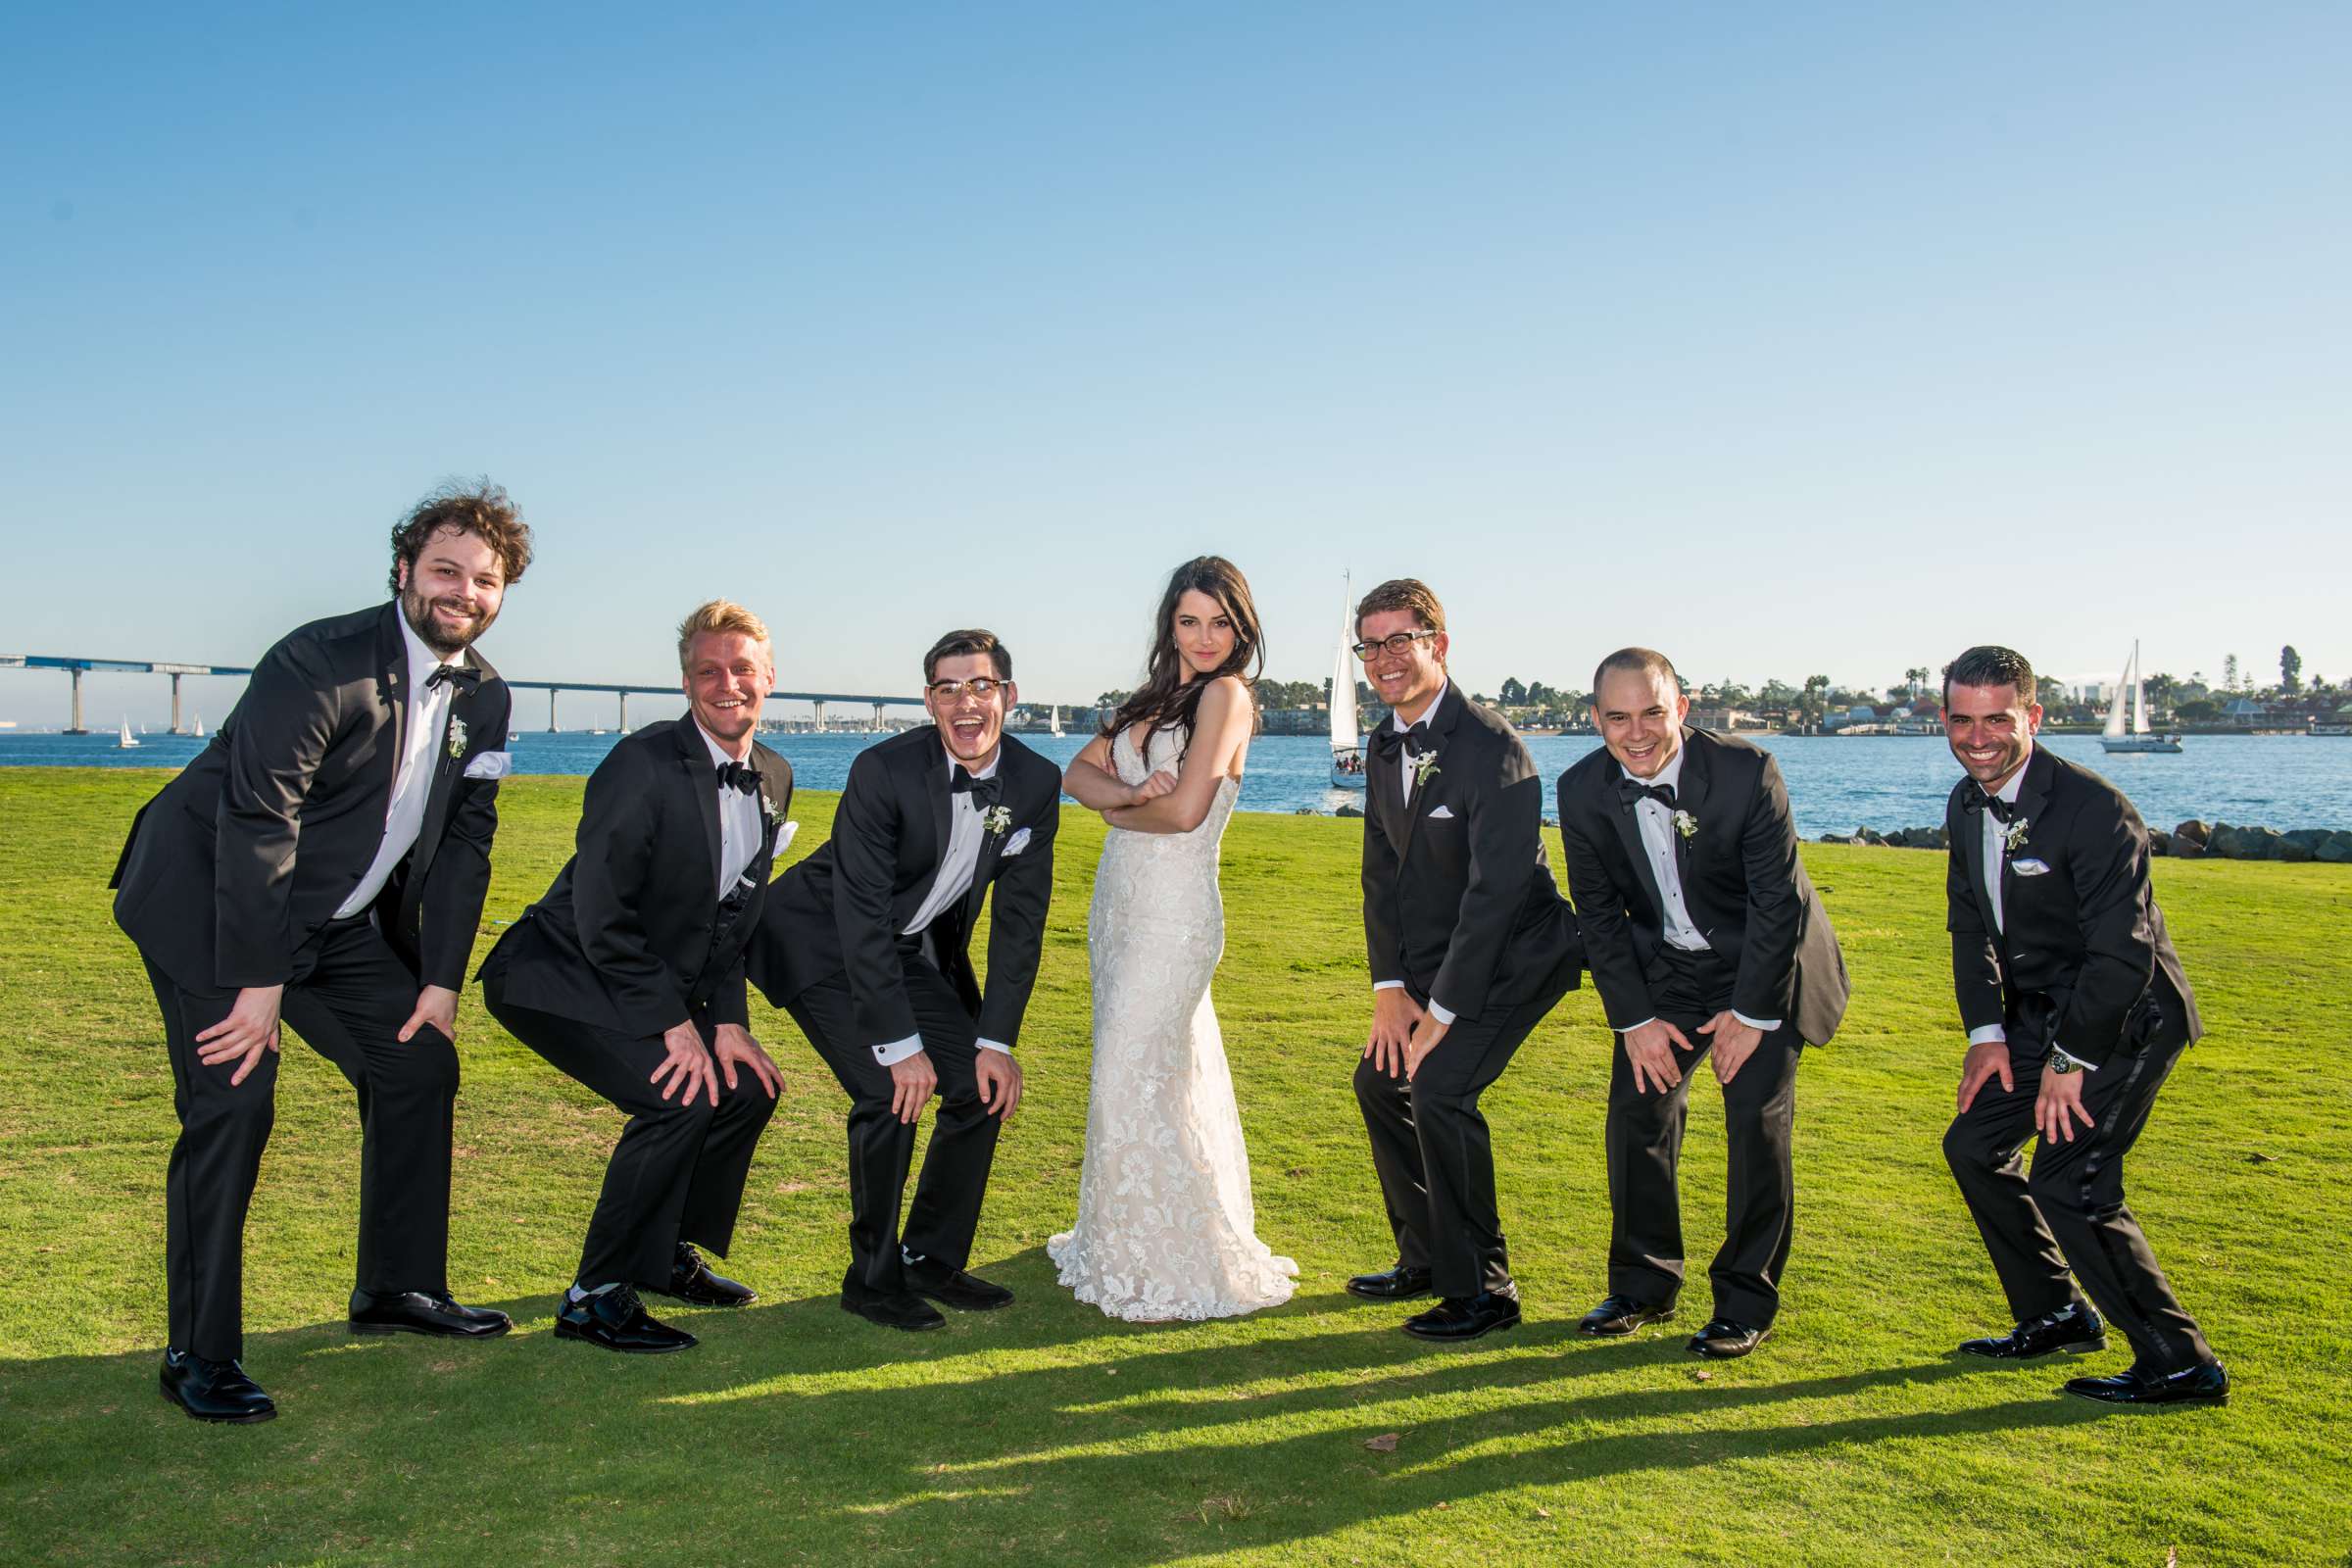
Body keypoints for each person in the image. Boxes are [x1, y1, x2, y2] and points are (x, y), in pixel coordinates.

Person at [110, 482, 533, 1422]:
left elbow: (467, 839)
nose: (463, 591)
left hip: (332, 922)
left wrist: (438, 979)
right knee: (235, 1101)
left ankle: (396, 1289)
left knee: (419, 1065)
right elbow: (260, 818)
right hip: (211, 906)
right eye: (445, 571)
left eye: (485, 579)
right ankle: (198, 1353)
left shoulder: (489, 696)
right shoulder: (318, 659)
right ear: (403, 572)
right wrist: (259, 983)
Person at [477, 602, 792, 1353]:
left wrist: (727, 1022)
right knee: (677, 1097)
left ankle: (661, 1255)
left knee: (745, 1089)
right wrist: (671, 1024)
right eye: (709, 671)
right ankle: (593, 1296)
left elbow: (731, 917)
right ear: (686, 683)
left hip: (641, 982)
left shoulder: (775, 775)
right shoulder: (641, 764)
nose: (727, 685)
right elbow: (601, 915)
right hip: (552, 973)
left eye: (742, 669)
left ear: (769, 678)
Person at [745, 629, 1059, 1331]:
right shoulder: (882, 770)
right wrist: (896, 1042)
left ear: (1008, 696)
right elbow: (858, 915)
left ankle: (930, 1259)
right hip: (817, 939)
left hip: (902, 949)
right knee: (891, 1087)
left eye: (980, 686)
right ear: (929, 701)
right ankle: (873, 1279)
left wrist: (996, 1041)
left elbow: (1021, 924)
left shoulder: (1036, 783)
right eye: (947, 689)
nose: (965, 702)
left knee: (980, 1087)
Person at [1937, 646, 2227, 1406]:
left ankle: (2178, 1362)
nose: (1978, 737)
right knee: (1973, 1144)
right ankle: (2057, 1313)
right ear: (1944, 720)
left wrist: (2069, 1061)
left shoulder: (2097, 811)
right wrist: (1986, 1036)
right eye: (1962, 720)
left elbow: (2120, 954)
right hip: (2036, 1017)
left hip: (2127, 1018)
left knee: (2073, 1182)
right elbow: (1971, 931)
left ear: (2032, 716)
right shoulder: (1966, 804)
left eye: (1997, 719)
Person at [1554, 649, 1848, 1359]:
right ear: (1595, 720)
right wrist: (1634, 1019)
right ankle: (1643, 1285)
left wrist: (1749, 1015)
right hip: (1667, 972)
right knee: (1637, 1112)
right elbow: (1596, 915)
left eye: (1653, 712)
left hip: (1763, 967)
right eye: (1618, 717)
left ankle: (1745, 1302)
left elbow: (1777, 905)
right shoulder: (1579, 789)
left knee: (1755, 1120)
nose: (1638, 733)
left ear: (1680, 708)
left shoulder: (1748, 773)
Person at [1051, 558, 1298, 1320]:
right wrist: (1125, 793)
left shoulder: (1228, 696)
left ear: (1241, 627)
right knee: (1152, 1074)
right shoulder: (1152, 700)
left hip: (1175, 914)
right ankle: (1119, 1236)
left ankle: (1173, 1255)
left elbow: (1187, 810)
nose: (1204, 636)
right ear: (1170, 625)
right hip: (1118, 910)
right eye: (1190, 621)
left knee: (1133, 1072)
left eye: (1220, 622)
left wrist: (1120, 813)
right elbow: (1075, 772)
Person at [1347, 579, 1582, 1342]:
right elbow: (1382, 873)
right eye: (1369, 643)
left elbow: (1495, 895)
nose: (1383, 657)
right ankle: (1425, 1259)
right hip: (1437, 964)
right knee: (1382, 1080)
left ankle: (1486, 1290)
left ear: (1436, 646)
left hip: (1519, 955)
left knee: (1440, 1087)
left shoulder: (1493, 748)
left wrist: (1440, 1012)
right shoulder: (1384, 745)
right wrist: (1392, 990)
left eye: (1398, 640)